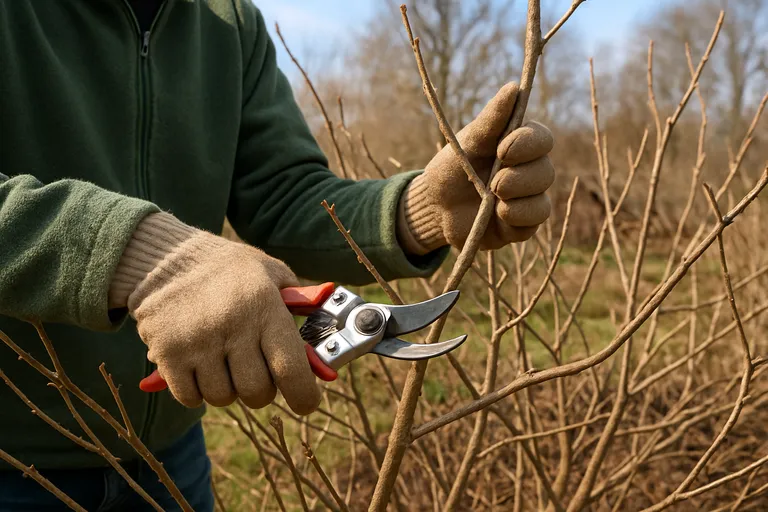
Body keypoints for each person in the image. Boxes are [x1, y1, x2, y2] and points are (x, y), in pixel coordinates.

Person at [0, 0, 556, 510]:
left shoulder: (228, 21)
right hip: (14, 464)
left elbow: (281, 195)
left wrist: (419, 211)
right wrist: (149, 258)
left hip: (170, 458)